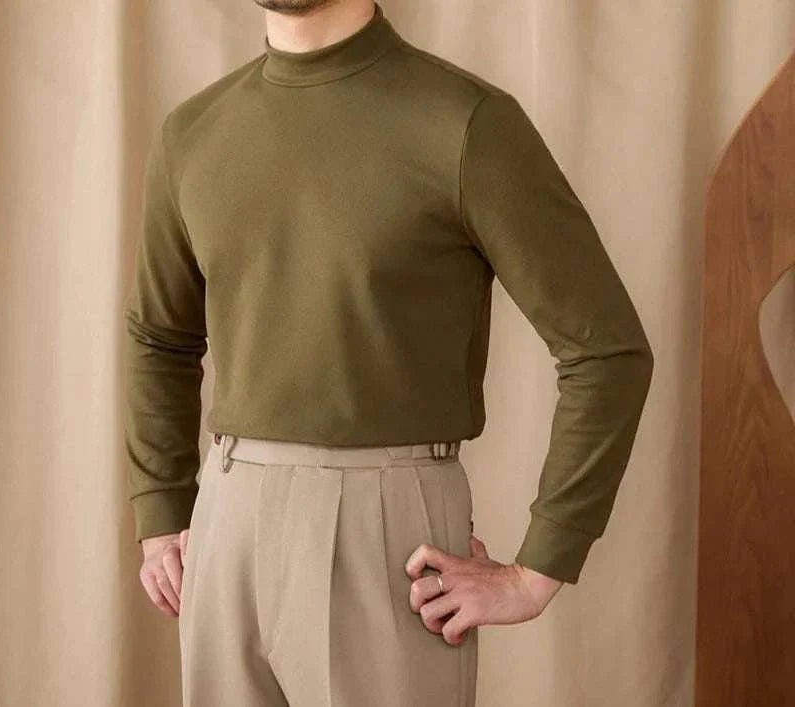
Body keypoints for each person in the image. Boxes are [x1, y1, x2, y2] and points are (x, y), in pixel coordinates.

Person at [122, 0, 654, 704]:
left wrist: (538, 568)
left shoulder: (464, 123)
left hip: (386, 533)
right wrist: (162, 510)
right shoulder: (191, 134)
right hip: (226, 518)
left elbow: (606, 351)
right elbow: (160, 337)